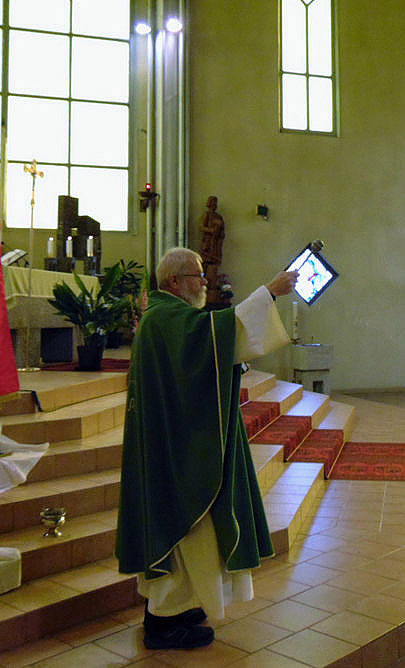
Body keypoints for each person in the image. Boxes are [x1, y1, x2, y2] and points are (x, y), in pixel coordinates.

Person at [116, 247, 298, 650]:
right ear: (174, 281)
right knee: (183, 528)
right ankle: (162, 624)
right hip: (176, 452)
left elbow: (208, 347)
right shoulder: (165, 318)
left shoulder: (168, 315)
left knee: (191, 536)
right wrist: (269, 291)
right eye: (197, 275)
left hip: (173, 441)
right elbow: (215, 336)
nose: (205, 281)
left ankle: (177, 608)